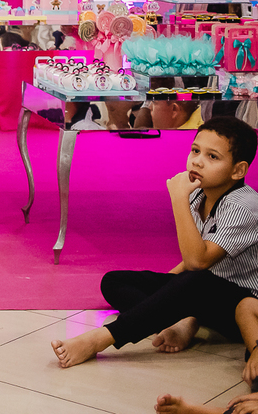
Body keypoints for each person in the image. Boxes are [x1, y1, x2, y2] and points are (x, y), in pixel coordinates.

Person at [51, 117, 258, 369]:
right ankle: (183, 318)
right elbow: (190, 264)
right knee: (114, 282)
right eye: (195, 150)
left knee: (196, 280)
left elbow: (197, 262)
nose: (197, 161)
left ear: (238, 170)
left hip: (241, 309)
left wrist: (178, 199)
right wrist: (167, 292)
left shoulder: (244, 206)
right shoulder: (199, 194)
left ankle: (101, 339)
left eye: (212, 157)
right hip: (201, 291)